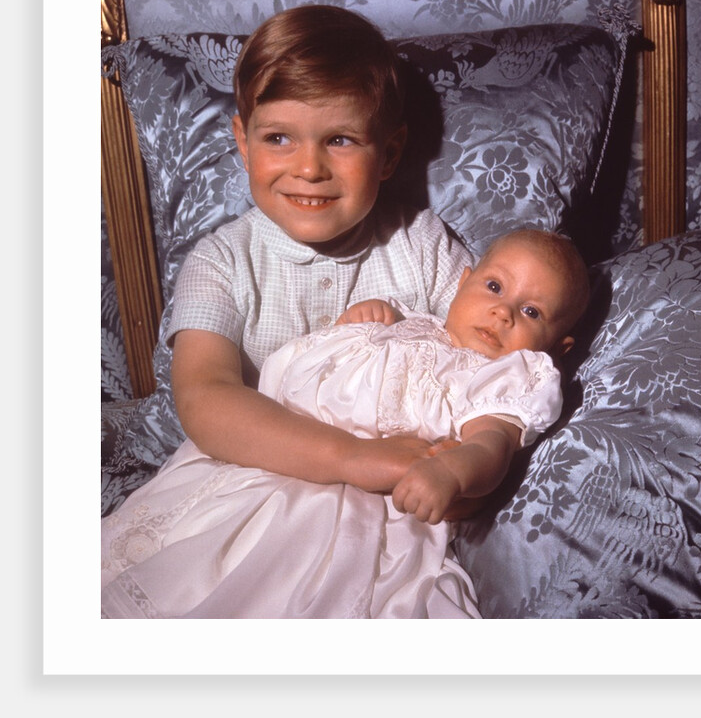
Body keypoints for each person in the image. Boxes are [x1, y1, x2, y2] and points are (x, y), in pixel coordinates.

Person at [102, 228, 589, 618]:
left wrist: (451, 471)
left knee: (289, 571)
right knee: (200, 546)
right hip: (285, 453)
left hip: (368, 503)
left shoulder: (503, 376)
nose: (502, 312)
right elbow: (303, 377)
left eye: (530, 311)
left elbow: (492, 444)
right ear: (462, 283)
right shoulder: (412, 325)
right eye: (494, 287)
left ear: (558, 345)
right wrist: (356, 329)